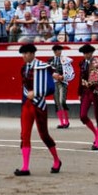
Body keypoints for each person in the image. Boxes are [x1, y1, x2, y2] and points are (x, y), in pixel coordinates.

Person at [16, 42, 61, 176]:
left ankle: (57, 160)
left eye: (26, 53)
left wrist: (36, 92)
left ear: (32, 54)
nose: (23, 56)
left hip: (39, 104)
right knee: (24, 135)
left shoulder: (42, 67)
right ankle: (25, 167)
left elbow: (51, 86)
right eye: (23, 53)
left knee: (43, 134)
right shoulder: (23, 68)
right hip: (26, 104)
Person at [78, 43, 98, 150]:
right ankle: (97, 134)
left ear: (91, 53)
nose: (85, 55)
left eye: (87, 53)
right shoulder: (82, 63)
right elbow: (80, 79)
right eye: (84, 53)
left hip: (96, 91)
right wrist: (79, 93)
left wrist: (95, 81)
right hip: (86, 91)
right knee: (82, 116)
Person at [51, 43, 75, 129]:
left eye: (59, 50)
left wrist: (63, 77)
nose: (57, 51)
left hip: (62, 82)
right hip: (54, 83)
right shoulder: (50, 61)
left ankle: (66, 122)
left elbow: (72, 73)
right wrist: (53, 75)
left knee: (62, 101)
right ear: (54, 51)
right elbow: (47, 71)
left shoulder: (66, 60)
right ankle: (62, 122)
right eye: (56, 50)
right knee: (57, 102)